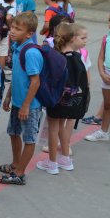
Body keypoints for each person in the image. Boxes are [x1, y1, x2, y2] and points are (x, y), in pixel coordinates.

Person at [0, 12, 42, 185]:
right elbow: (16, 77)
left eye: (18, 29)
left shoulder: (30, 52)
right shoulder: (17, 48)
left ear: (29, 34)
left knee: (29, 138)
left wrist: (26, 105)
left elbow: (35, 82)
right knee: (13, 132)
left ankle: (20, 173)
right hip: (17, 102)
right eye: (12, 27)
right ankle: (16, 164)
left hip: (30, 105)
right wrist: (8, 96)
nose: (12, 31)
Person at [39, 22, 89, 173]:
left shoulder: (58, 58)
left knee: (53, 128)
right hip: (73, 100)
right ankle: (65, 159)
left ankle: (52, 163)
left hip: (58, 99)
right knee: (61, 127)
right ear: (72, 39)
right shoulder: (77, 57)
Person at [84, 8, 110, 152]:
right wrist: (103, 73)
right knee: (108, 104)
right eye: (109, 20)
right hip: (107, 73)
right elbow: (100, 57)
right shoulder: (106, 38)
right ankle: (103, 132)